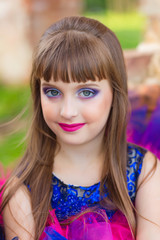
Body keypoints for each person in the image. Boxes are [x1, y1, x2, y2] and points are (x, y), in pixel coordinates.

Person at [0, 16, 160, 240]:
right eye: (53, 92)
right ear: (38, 94)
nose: (67, 111)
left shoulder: (143, 171)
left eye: (86, 92)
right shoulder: (22, 191)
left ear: (115, 93)